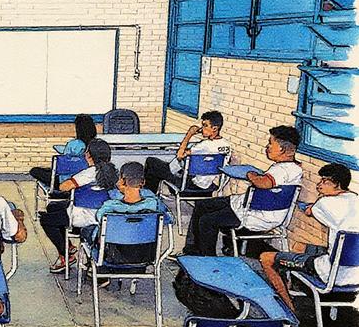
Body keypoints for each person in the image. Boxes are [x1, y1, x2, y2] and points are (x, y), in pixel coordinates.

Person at [179, 126, 303, 257]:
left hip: (255, 215)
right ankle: (193, 250)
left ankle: (207, 259)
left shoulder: (283, 170)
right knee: (202, 205)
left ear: (283, 149)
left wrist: (251, 175)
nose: (267, 147)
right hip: (251, 206)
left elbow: (264, 183)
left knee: (207, 220)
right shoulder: (294, 168)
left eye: (271, 143)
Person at [260, 163, 358, 311]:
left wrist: (310, 205)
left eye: (325, 182)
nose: (319, 185)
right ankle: (293, 283)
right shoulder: (355, 199)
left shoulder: (324, 203)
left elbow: (309, 211)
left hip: (330, 273)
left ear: (337, 185)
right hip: (355, 274)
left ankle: (288, 308)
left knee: (266, 258)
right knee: (299, 247)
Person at [38, 139, 118, 273]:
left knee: (46, 220)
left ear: (88, 156)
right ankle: (67, 245)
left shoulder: (88, 173)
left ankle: (65, 254)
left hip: (83, 215)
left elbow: (64, 187)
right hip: (105, 215)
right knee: (53, 207)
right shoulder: (113, 172)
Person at [144, 110, 230, 193]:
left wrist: (189, 134)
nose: (202, 128)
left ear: (214, 128)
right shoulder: (227, 145)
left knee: (151, 162)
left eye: (205, 125)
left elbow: (179, 155)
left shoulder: (204, 145)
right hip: (208, 185)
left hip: (191, 184)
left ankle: (150, 196)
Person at [29, 113, 98, 188]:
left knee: (35, 171)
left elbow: (66, 157)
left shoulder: (76, 143)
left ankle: (51, 189)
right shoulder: (97, 144)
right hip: (84, 180)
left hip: (64, 180)